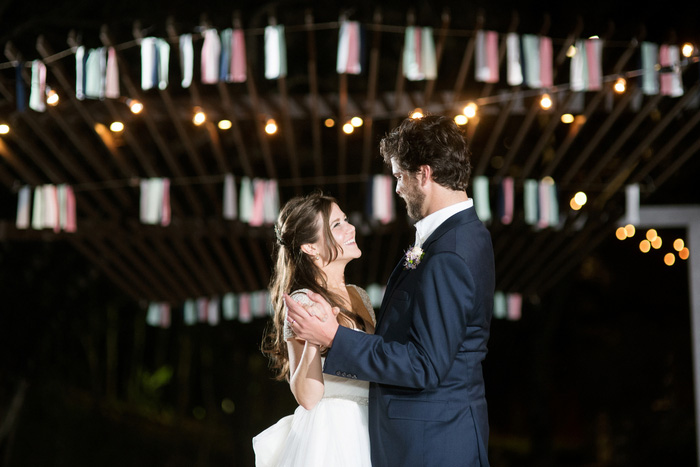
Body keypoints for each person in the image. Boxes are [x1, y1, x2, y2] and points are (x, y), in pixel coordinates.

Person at [285, 115, 495, 467]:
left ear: (423, 175)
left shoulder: (449, 252)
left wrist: (335, 337)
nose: (397, 188)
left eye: (399, 176)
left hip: (432, 445)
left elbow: (426, 364)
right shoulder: (463, 236)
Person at [253, 192, 376, 467]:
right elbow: (307, 397)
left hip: (372, 426)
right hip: (332, 433)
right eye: (337, 225)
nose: (350, 228)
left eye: (345, 220)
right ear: (310, 248)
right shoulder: (303, 301)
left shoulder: (360, 297)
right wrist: (312, 339)